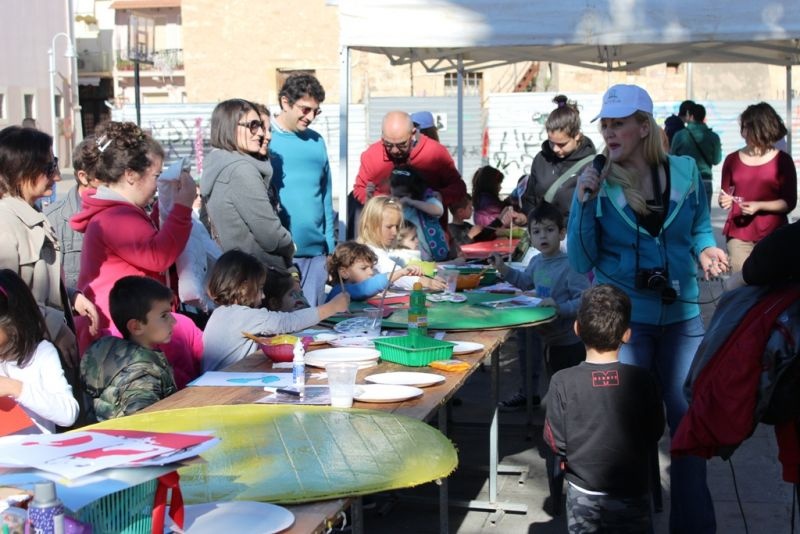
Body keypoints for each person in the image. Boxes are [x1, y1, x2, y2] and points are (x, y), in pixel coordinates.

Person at [570, 83, 728, 533]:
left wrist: (705, 251)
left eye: (619, 123)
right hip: (626, 325)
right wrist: (582, 204)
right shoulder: (597, 183)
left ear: (644, 126)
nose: (610, 132)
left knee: (690, 432)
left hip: (682, 318)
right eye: (606, 124)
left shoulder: (684, 172)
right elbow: (582, 260)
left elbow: (698, 229)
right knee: (629, 435)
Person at [544, 284, 665, 532]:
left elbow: (554, 439)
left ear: (577, 329)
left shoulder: (562, 381)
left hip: (583, 488)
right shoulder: (643, 379)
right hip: (634, 487)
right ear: (627, 334)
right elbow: (655, 430)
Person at [70, 122, 195, 347]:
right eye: (156, 176)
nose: (159, 185)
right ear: (130, 175)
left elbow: (150, 241)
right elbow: (158, 256)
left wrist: (167, 206)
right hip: (120, 335)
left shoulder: (118, 211)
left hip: (124, 329)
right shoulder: (116, 218)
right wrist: (183, 207)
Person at [0, 126, 98, 385]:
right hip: (23, 362)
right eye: (48, 167)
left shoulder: (31, 215)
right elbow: (8, 298)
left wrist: (69, 294)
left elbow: (37, 283)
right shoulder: (5, 222)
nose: (55, 176)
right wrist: (55, 327)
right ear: (22, 170)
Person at [490, 201, 590, 409]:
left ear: (562, 233)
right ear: (531, 238)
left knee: (569, 389)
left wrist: (560, 308)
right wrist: (503, 269)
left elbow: (584, 300)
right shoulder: (536, 262)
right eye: (536, 231)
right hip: (545, 336)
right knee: (544, 371)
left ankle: (571, 426)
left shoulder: (571, 264)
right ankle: (534, 399)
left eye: (549, 230)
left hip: (569, 340)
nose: (543, 236)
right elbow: (525, 282)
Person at [202, 250, 350, 372]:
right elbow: (287, 322)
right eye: (260, 288)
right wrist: (332, 307)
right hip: (223, 389)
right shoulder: (242, 315)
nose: (263, 295)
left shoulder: (221, 313)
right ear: (244, 288)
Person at [200, 99, 294, 271]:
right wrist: (290, 245)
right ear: (230, 127)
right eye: (253, 125)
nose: (260, 133)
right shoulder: (241, 170)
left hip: (235, 273)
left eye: (261, 126)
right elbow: (270, 235)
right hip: (259, 275)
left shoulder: (218, 164)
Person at [270, 74, 335, 306]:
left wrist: (330, 246)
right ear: (285, 102)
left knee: (315, 330)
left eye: (316, 111)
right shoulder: (264, 139)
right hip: (279, 257)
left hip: (316, 255)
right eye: (305, 109)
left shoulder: (317, 141)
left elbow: (326, 195)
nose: (311, 117)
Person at [81, 276, 178, 422]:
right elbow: (144, 426)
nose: (174, 321)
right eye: (164, 315)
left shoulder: (120, 359)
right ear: (136, 327)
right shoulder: (142, 376)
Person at [719, 102, 797, 272]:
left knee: (772, 287)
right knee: (741, 285)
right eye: (742, 127)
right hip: (739, 235)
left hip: (774, 236)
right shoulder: (732, 160)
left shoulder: (783, 160)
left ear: (761, 128)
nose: (743, 133)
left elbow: (790, 202)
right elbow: (725, 194)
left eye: (747, 127)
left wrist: (759, 206)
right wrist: (724, 200)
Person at [0, 269, 79, 433]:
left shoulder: (42, 354)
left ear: (13, 322)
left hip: (38, 455)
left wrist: (15, 388)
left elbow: (68, 414)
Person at [352, 111, 466, 221]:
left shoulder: (436, 152)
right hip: (387, 233)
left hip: (429, 234)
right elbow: (359, 188)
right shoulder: (371, 155)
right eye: (388, 144)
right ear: (382, 135)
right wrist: (381, 202)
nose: (395, 150)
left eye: (402, 144)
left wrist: (440, 196)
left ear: (413, 133)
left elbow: (458, 187)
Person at [521, 95, 597, 219]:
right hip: (542, 236)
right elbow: (530, 201)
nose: (555, 149)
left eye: (562, 144)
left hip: (573, 235)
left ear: (577, 135)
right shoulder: (540, 160)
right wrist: (524, 218)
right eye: (551, 142)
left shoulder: (592, 165)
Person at [44, 136, 100, 288]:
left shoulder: (127, 213)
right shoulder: (53, 220)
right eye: (108, 174)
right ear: (83, 176)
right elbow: (53, 287)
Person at [356, 196, 443, 291]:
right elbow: (393, 274)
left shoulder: (379, 250)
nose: (394, 232)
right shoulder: (369, 251)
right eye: (389, 227)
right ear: (371, 225)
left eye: (397, 227)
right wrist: (425, 282)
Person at [326, 241, 419, 302]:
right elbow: (365, 289)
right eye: (363, 268)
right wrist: (401, 272)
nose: (371, 272)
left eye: (371, 267)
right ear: (344, 273)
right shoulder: (340, 291)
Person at [389, 166, 449, 261]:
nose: (397, 199)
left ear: (414, 192)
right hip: (411, 254)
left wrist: (411, 202)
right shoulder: (395, 206)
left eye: (401, 196)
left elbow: (438, 210)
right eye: (393, 195)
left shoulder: (426, 201)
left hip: (432, 252)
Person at [670, 103, 722, 207]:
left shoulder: (680, 135)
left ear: (691, 116)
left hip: (684, 182)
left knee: (686, 218)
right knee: (704, 219)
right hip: (705, 181)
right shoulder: (714, 137)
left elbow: (672, 158)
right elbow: (716, 160)